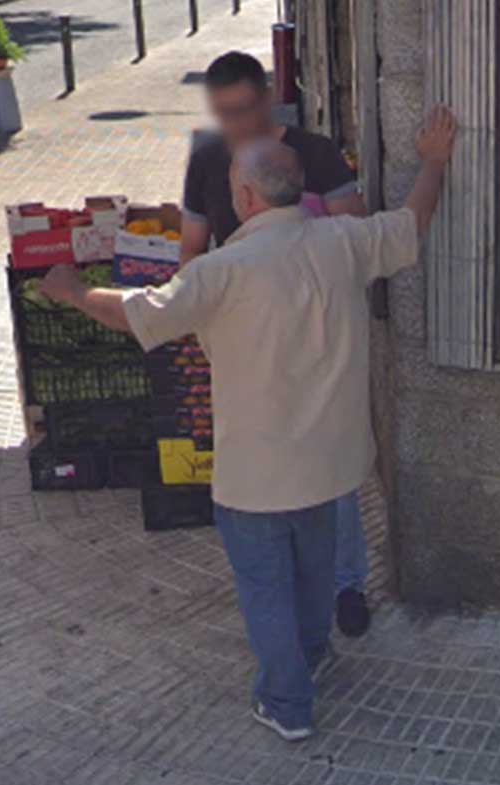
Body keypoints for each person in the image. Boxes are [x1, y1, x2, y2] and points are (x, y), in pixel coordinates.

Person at [39, 107, 457, 741]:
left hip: (257, 476)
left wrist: (71, 291)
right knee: (316, 570)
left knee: (266, 585)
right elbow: (414, 221)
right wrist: (435, 159)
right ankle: (313, 655)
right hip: (332, 462)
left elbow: (138, 314)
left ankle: (287, 704)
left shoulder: (221, 272)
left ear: (243, 195)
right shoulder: (344, 243)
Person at [184, 51, 374, 637]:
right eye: (223, 114)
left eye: (243, 109)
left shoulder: (313, 153)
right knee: (270, 461)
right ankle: (294, 589)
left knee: (330, 455)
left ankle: (346, 584)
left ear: (267, 97)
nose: (236, 124)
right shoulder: (207, 160)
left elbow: (358, 234)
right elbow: (191, 246)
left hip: (317, 330)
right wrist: (202, 310)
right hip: (249, 332)